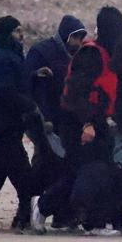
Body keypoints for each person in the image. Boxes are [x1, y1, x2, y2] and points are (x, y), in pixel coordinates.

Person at [54, 7, 122, 235]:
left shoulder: (113, 55)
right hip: (78, 122)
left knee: (96, 172)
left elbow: (120, 93)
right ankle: (89, 221)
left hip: (100, 122)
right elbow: (77, 94)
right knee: (93, 171)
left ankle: (97, 220)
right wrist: (87, 123)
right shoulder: (91, 55)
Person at [0, 17, 45, 231]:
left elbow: (14, 81)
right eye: (17, 31)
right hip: (3, 125)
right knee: (24, 175)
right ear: (7, 34)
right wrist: (29, 106)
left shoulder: (8, 55)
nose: (21, 35)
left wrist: (33, 76)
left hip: (8, 125)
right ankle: (23, 218)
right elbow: (5, 92)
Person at [26, 15, 87, 224]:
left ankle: (62, 216)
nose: (78, 43)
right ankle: (28, 210)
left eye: (81, 38)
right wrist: (35, 74)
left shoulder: (77, 56)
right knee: (45, 164)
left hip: (65, 122)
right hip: (41, 119)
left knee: (63, 166)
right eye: (75, 37)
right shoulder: (42, 51)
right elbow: (24, 80)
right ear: (65, 36)